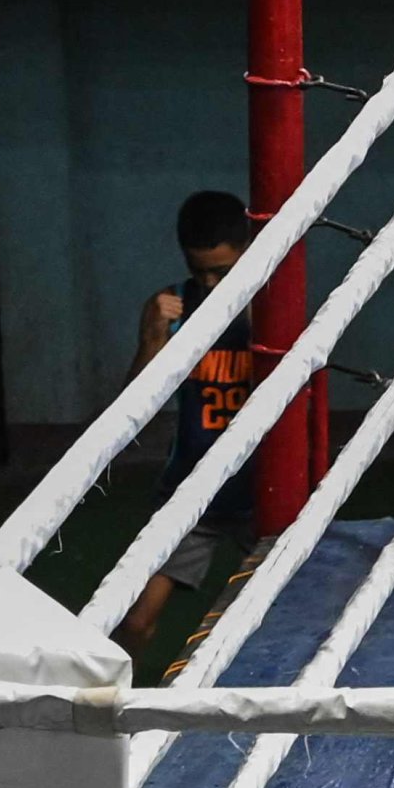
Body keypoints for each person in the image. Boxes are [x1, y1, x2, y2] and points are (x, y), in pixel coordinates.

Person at [112, 189, 263, 653]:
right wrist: (153, 338)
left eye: (223, 271)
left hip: (263, 493)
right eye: (201, 272)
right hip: (191, 491)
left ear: (249, 251)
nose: (212, 284)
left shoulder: (274, 306)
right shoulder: (171, 305)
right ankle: (118, 717)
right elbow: (134, 409)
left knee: (289, 617)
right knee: (134, 623)